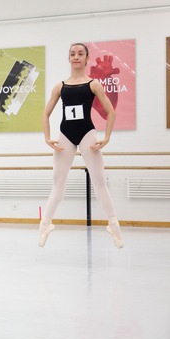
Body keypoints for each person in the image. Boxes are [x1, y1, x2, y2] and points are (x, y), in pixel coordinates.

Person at [39, 43, 123, 248]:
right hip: (65, 135)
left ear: (87, 59)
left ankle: (114, 225)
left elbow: (111, 112)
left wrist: (107, 137)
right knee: (58, 182)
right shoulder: (60, 86)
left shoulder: (93, 84)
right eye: (72, 54)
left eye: (80, 54)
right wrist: (47, 137)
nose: (76, 57)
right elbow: (45, 113)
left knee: (99, 181)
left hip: (87, 134)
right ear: (68, 58)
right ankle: (45, 224)